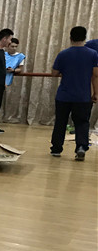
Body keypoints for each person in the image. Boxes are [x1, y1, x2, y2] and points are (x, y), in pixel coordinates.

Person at [49, 26, 98, 161]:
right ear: (85, 37)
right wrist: (95, 93)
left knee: (60, 122)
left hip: (64, 95)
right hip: (83, 96)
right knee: (82, 122)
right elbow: (95, 75)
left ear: (70, 38)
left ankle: (56, 149)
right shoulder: (93, 54)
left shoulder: (63, 54)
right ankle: (81, 147)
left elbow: (54, 73)